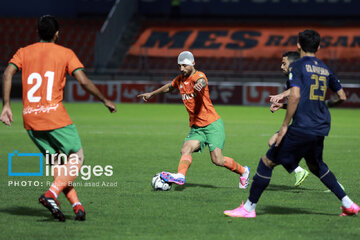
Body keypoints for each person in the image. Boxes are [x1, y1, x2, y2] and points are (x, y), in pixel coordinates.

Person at [224, 29, 359, 218]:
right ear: (319, 47)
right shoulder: (325, 68)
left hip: (302, 126)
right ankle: (349, 204)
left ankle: (248, 208)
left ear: (298, 45)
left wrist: (285, 125)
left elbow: (295, 95)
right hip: (320, 126)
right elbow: (342, 97)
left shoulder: (297, 66)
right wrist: (323, 104)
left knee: (266, 162)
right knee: (316, 166)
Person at [0, 15, 117, 221]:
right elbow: (82, 81)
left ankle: (76, 206)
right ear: (57, 33)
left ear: (38, 32)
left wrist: (7, 105)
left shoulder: (23, 52)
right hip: (54, 117)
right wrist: (104, 99)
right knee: (77, 157)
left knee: (59, 164)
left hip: (30, 119)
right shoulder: (65, 53)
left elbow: (7, 74)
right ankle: (51, 194)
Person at [137, 51, 250, 188]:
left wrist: (200, 85)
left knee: (217, 160)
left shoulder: (199, 76)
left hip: (212, 124)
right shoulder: (180, 79)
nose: (182, 69)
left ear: (193, 64)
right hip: (197, 127)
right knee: (186, 149)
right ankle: (180, 176)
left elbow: (202, 81)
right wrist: (152, 94)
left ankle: (244, 171)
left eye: (184, 65)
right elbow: (169, 87)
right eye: (179, 66)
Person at [268, 51, 310, 187]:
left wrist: (281, 95)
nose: (281, 66)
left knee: (274, 144)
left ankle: (298, 170)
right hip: (303, 122)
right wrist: (282, 106)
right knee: (315, 162)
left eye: (284, 63)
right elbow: (297, 103)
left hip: (306, 123)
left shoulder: (302, 76)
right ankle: (338, 188)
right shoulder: (291, 80)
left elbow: (295, 91)